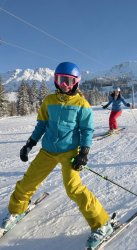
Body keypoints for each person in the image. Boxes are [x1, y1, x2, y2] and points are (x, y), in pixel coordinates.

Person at [1, 62, 113, 249]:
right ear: (55, 80)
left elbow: (87, 130)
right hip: (47, 151)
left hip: (69, 151)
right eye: (61, 80)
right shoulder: (49, 100)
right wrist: (30, 143)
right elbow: (41, 124)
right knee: (27, 182)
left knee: (73, 188)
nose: (64, 85)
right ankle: (16, 211)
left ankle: (102, 224)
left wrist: (84, 152)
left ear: (76, 82)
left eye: (69, 81)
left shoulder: (81, 104)